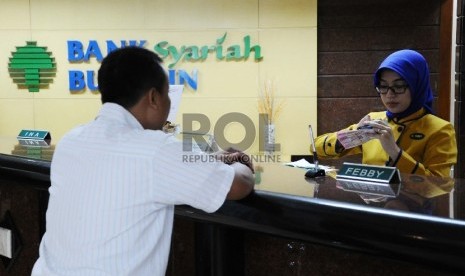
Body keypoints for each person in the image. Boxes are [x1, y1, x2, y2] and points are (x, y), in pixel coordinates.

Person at [31, 47, 255, 275]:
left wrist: (209, 160)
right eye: (167, 94)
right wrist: (241, 161)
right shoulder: (155, 150)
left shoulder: (71, 140)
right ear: (153, 98)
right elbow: (239, 185)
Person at [314, 49, 457, 177]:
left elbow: (439, 189)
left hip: (413, 206)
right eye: (383, 86)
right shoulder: (374, 120)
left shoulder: (440, 130)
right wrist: (351, 137)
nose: (389, 94)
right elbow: (316, 148)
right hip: (372, 205)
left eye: (399, 86)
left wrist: (395, 152)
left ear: (417, 86)